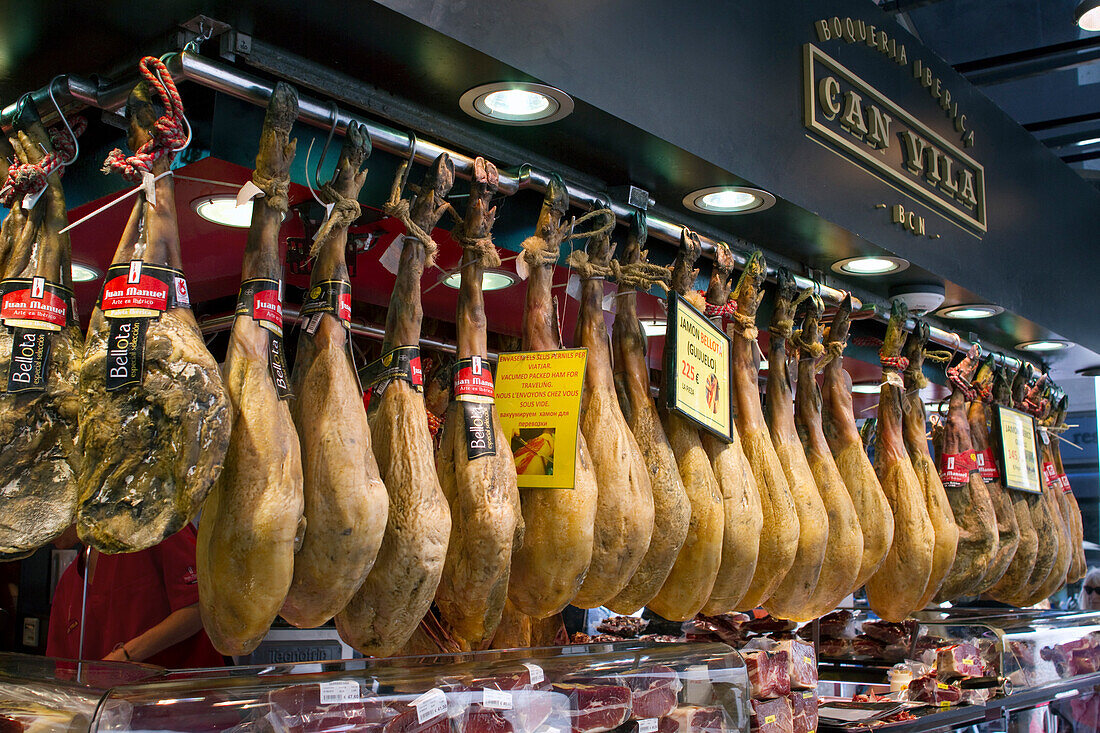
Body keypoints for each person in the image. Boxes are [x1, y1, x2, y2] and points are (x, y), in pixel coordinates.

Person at [47, 524, 224, 668]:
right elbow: (64, 672)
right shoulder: (68, 584)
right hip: (115, 710)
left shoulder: (153, 528)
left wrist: (126, 656)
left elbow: (202, 605)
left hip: (186, 704)